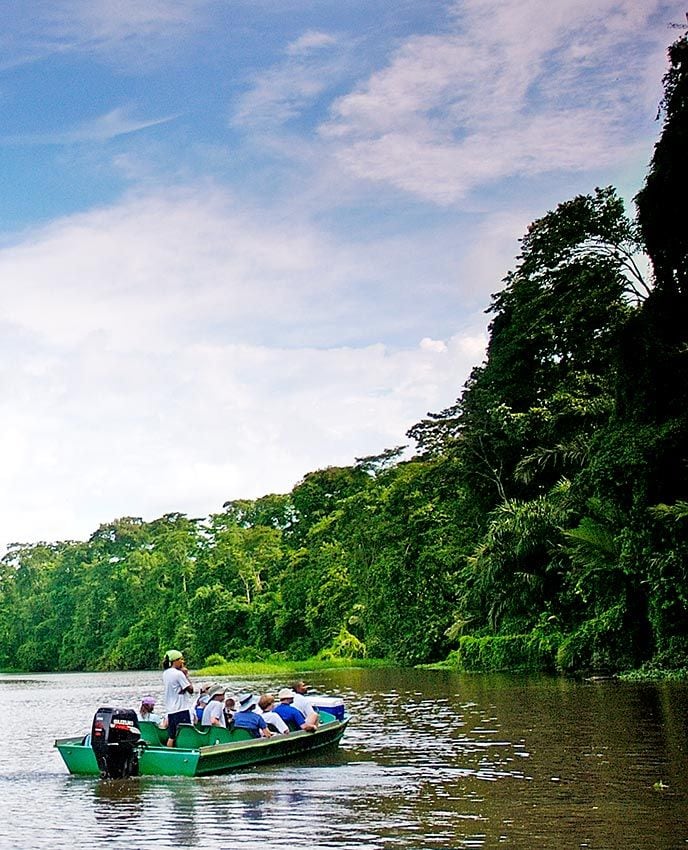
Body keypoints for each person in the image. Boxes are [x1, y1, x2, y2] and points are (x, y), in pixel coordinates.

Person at [162, 649, 194, 747]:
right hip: (181, 710)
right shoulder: (179, 674)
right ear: (175, 660)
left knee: (172, 736)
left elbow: (178, 688)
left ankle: (169, 754)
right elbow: (191, 690)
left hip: (170, 710)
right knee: (186, 733)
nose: (183, 662)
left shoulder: (166, 673)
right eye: (181, 659)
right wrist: (186, 675)